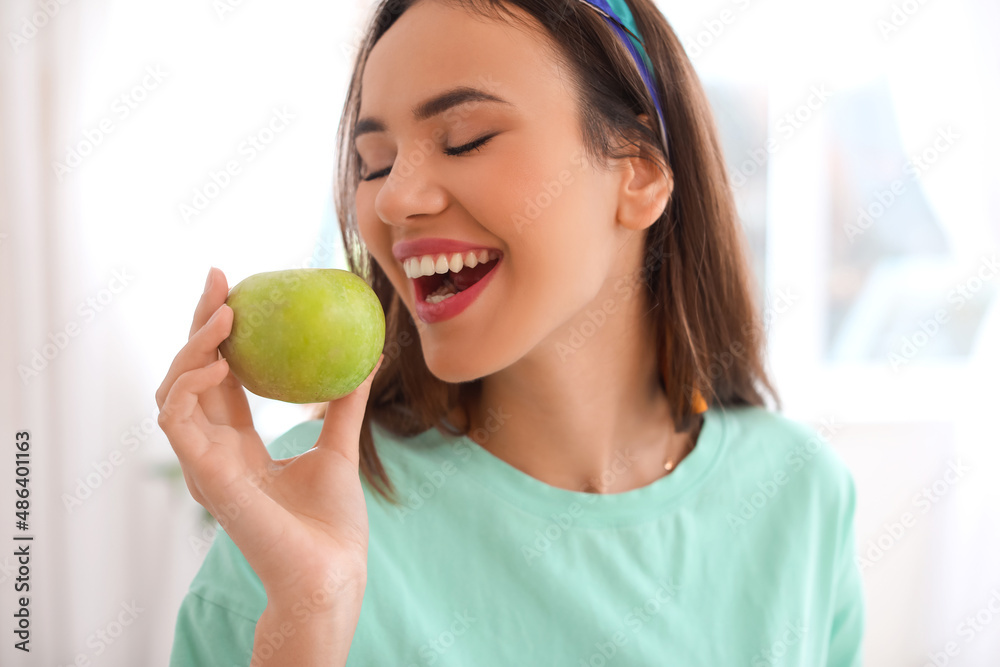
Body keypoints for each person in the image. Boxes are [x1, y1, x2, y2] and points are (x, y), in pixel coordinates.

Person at [157, 0, 866, 665]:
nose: (394, 197)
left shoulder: (801, 496)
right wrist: (307, 613)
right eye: (371, 163)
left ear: (640, 174)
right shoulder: (295, 510)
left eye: (465, 139)